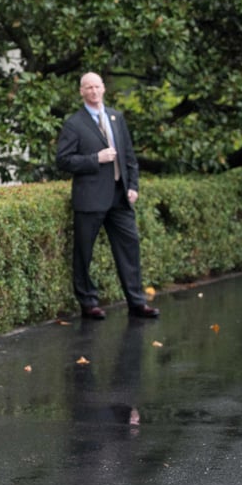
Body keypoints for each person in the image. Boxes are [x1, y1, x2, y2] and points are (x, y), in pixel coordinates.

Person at [56, 72, 160, 320]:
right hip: (90, 199)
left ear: (104, 89)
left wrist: (133, 185)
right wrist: (95, 159)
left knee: (130, 247)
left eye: (97, 86)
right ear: (81, 91)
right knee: (84, 253)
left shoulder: (116, 117)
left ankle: (137, 302)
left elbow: (128, 156)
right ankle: (88, 303)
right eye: (88, 87)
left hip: (119, 197)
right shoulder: (74, 124)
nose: (93, 91)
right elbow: (63, 160)